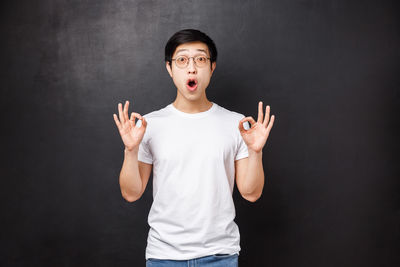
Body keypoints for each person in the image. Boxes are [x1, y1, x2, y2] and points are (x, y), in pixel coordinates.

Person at [113, 29, 275, 267]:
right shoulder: (149, 125)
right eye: (182, 60)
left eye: (200, 59)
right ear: (169, 68)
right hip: (164, 257)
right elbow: (131, 193)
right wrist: (130, 150)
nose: (191, 68)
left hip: (220, 256)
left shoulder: (236, 124)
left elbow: (251, 193)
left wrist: (256, 151)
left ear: (212, 67)